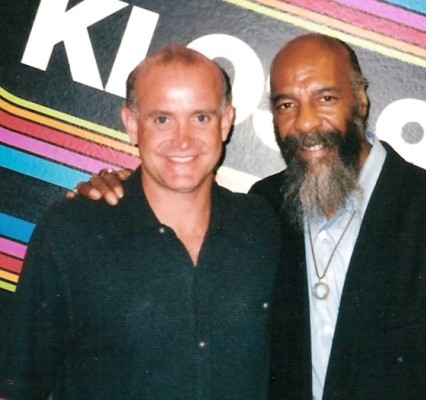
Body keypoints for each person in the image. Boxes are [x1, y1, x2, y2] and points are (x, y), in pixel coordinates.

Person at [67, 33, 426, 399]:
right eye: (286, 105)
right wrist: (123, 187)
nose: (305, 123)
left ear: (360, 99)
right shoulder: (263, 206)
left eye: (325, 98)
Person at [0, 45, 281, 399]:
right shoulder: (70, 233)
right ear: (132, 125)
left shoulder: (263, 225)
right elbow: (19, 385)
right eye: (162, 118)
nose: (183, 140)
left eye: (201, 118)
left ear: (225, 122)